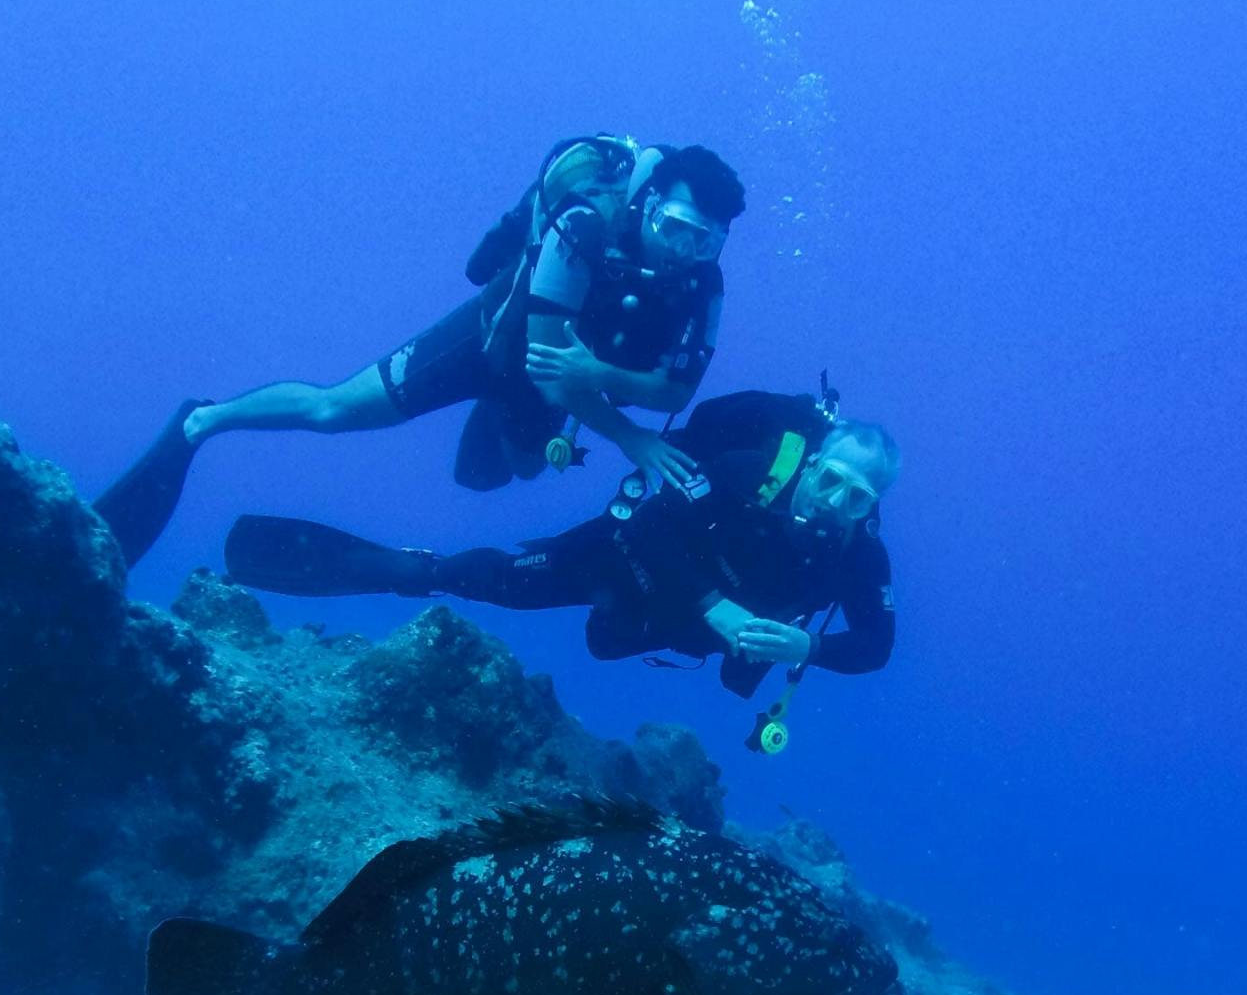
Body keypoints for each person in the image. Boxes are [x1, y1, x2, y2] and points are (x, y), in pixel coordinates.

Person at [94, 135, 744, 569]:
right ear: (649, 206)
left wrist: (599, 373)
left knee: (516, 472)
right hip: (492, 340)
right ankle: (201, 421)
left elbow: (677, 391)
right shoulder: (582, 228)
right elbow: (550, 366)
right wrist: (630, 434)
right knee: (332, 410)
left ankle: (498, 416)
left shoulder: (702, 285)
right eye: (675, 229)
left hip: (561, 381)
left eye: (703, 241)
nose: (682, 252)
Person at [222, 389, 899, 699]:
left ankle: (623, 621)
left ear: (874, 506)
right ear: (812, 464)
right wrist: (715, 604)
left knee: (605, 642)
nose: (837, 502)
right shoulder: (746, 473)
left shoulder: (860, 557)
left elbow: (877, 645)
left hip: (666, 622)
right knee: (504, 582)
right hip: (624, 558)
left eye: (859, 497)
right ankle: (410, 566)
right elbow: (645, 522)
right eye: (833, 479)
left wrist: (811, 646)